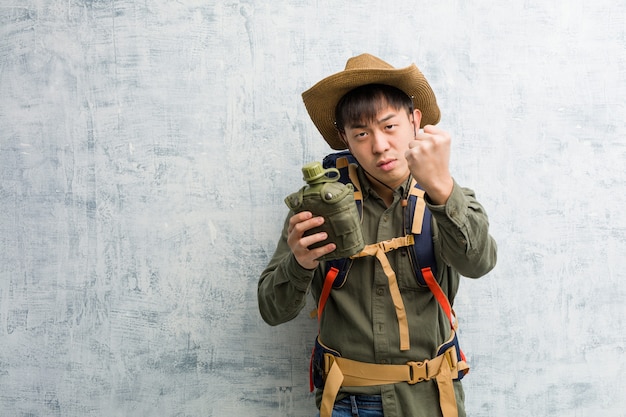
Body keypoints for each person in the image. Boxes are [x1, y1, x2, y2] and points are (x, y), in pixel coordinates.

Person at [258, 53, 497, 417]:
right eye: (361, 133)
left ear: (415, 121)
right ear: (345, 139)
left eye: (389, 127)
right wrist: (300, 263)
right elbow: (272, 311)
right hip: (349, 402)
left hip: (433, 400)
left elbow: (480, 262)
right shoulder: (318, 208)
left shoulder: (447, 197)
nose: (380, 145)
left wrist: (443, 189)